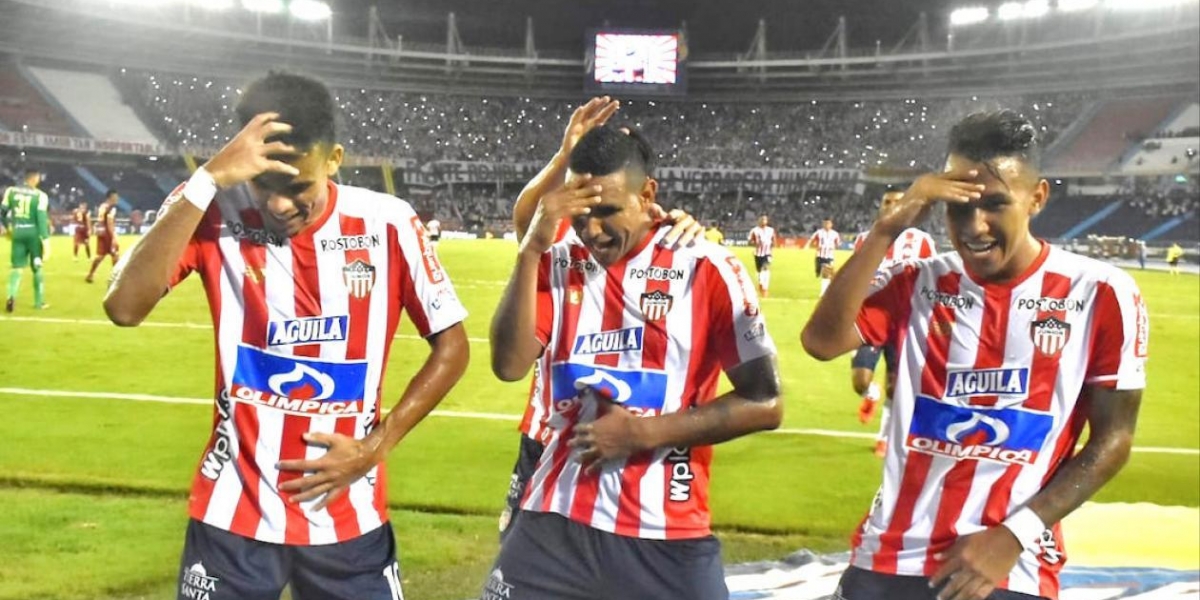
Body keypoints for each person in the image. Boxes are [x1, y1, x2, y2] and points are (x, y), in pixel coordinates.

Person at [103, 72, 469, 600]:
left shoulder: (387, 223)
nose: (278, 205)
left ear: (335, 159)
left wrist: (373, 447)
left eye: (298, 186)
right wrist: (207, 179)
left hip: (348, 516)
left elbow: (453, 346)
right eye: (265, 186)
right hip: (233, 515)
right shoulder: (210, 211)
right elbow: (124, 307)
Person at [802, 110, 1147, 600]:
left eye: (995, 204)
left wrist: (1015, 534)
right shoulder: (918, 281)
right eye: (958, 206)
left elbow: (1113, 440)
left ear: (1038, 198)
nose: (974, 226)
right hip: (890, 555)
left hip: (1009, 566)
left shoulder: (1101, 293)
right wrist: (887, 230)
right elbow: (821, 342)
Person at [485, 125, 782, 600]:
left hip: (665, 532)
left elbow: (767, 403)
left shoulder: (706, 267)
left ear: (647, 195)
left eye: (608, 212)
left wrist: (642, 434)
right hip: (553, 520)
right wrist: (530, 251)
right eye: (582, 214)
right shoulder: (557, 261)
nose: (593, 230)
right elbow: (508, 364)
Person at [501, 97, 703, 543]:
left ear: (643, 188)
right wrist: (562, 157)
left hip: (637, 439)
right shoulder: (565, 249)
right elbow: (527, 222)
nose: (593, 224)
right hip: (549, 435)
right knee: (527, 561)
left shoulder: (680, 250)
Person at [851, 190, 937, 457]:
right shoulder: (866, 240)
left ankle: (884, 437)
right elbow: (855, 277)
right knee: (860, 380)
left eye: (897, 202)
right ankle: (871, 394)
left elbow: (933, 280)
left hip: (905, 323)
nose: (891, 206)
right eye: (886, 202)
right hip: (870, 320)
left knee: (895, 384)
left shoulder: (923, 241)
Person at [3, 168, 51, 312]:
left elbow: (2, 212)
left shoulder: (11, 191)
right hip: (33, 234)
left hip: (17, 232)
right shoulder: (40, 195)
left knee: (16, 268)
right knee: (37, 268)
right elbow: (41, 220)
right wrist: (46, 242)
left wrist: (6, 228)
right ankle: (39, 302)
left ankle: (11, 296)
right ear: (35, 178)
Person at [86, 190, 121, 283]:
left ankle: (90, 274)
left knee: (100, 255)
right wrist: (114, 236)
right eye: (116, 196)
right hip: (108, 234)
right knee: (115, 255)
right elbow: (109, 222)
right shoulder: (111, 208)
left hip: (101, 232)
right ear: (111, 197)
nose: (117, 198)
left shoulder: (102, 206)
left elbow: (100, 220)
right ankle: (115, 278)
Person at [807, 218, 841, 297]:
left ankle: (823, 293)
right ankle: (826, 291)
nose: (826, 225)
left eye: (828, 223)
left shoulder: (835, 234)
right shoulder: (818, 233)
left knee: (827, 274)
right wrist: (817, 246)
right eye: (825, 223)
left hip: (829, 257)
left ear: (831, 224)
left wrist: (832, 247)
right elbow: (811, 243)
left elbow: (838, 244)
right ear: (823, 224)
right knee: (822, 274)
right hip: (820, 256)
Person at [748, 215, 777, 297]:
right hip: (758, 254)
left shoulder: (771, 230)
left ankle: (765, 288)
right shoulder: (754, 230)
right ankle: (760, 284)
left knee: (765, 268)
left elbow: (774, 241)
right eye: (763, 219)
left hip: (767, 253)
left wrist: (772, 250)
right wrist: (755, 243)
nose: (764, 221)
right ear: (759, 221)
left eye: (765, 219)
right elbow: (749, 242)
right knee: (759, 271)